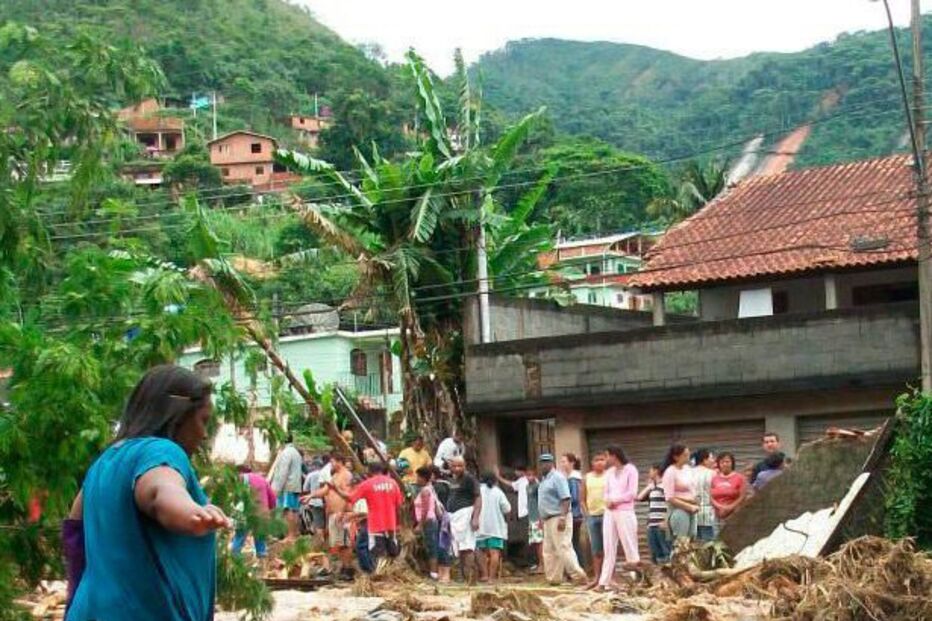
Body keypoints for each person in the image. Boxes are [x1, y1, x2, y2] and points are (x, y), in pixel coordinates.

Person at [66, 365, 232, 621]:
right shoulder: (161, 451)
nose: (203, 434)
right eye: (203, 420)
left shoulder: (103, 463)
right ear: (177, 416)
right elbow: (160, 490)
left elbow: (74, 535)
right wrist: (189, 512)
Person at [537, 453, 587, 586]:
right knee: (549, 550)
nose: (543, 465)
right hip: (547, 519)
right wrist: (542, 520)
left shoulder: (557, 477)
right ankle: (554, 579)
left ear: (552, 464)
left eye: (546, 462)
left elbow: (566, 498)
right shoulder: (544, 480)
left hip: (558, 516)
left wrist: (563, 517)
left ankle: (578, 576)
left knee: (563, 547)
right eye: (541, 463)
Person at [303, 454, 354, 579]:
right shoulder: (335, 476)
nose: (331, 464)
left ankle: (348, 569)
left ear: (340, 462)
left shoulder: (346, 475)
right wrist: (311, 496)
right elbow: (325, 490)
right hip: (333, 514)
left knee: (344, 543)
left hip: (341, 514)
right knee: (338, 543)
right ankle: (344, 567)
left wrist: (342, 512)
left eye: (333, 462)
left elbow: (348, 495)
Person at [348, 462, 404, 571]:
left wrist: (336, 490)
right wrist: (398, 523)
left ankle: (380, 576)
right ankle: (391, 574)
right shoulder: (393, 483)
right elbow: (399, 505)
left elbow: (351, 498)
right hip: (391, 524)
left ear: (369, 471)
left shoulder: (367, 484)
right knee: (392, 551)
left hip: (376, 525)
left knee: (378, 553)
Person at [598, 446, 639, 590]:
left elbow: (632, 493)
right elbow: (605, 492)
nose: (606, 459)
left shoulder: (631, 469)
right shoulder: (609, 473)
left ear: (614, 456)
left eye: (607, 456)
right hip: (610, 512)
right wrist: (608, 501)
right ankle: (604, 582)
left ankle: (636, 580)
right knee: (608, 546)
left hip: (625, 511)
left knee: (629, 545)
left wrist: (615, 501)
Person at [496, 465, 542, 572]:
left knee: (536, 540)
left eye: (531, 475)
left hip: (532, 514)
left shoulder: (535, 484)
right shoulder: (522, 481)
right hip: (523, 514)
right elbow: (511, 484)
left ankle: (536, 562)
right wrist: (498, 477)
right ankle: (531, 562)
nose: (528, 476)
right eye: (527, 474)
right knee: (529, 539)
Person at [445, 456, 482, 582]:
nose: (457, 468)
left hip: (465, 514)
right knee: (458, 548)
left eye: (460, 466)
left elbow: (478, 497)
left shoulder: (469, 479)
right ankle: (462, 576)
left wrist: (475, 517)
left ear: (464, 466)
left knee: (467, 547)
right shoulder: (452, 479)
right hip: (454, 517)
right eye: (454, 466)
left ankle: (471, 576)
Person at [232, 464, 277, 559]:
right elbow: (272, 497)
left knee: (239, 537)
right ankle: (262, 560)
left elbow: (236, 497)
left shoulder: (240, 478)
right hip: (261, 512)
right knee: (260, 538)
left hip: (245, 512)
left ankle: (234, 560)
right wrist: (270, 510)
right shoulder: (262, 479)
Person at [414, 466, 448, 580]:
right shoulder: (430, 488)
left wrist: (420, 525)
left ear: (423, 478)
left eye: (418, 477)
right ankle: (434, 572)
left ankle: (434, 573)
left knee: (431, 546)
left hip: (428, 521)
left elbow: (425, 510)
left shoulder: (425, 491)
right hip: (431, 521)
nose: (417, 479)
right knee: (432, 545)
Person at [476, 472, 511, 583]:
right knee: (494, 552)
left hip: (480, 527)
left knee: (481, 551)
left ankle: (484, 575)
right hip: (495, 527)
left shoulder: (478, 491)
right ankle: (492, 578)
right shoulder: (498, 492)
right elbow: (507, 508)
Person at [269, 434, 304, 540]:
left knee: (287, 510)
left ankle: (290, 535)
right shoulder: (296, 452)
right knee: (294, 510)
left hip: (287, 486)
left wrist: (276, 488)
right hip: (295, 485)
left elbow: (282, 472)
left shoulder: (286, 453)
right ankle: (295, 532)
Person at [579, 452, 607, 584]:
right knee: (596, 550)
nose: (600, 462)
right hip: (593, 517)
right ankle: (597, 577)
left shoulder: (609, 476)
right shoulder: (587, 478)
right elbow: (582, 499)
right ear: (592, 463)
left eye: (602, 459)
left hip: (608, 516)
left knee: (610, 549)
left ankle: (610, 577)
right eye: (597, 460)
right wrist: (587, 515)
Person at [661, 444, 698, 543]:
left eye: (688, 454)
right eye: (684, 455)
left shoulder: (688, 469)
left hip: (692, 508)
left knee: (692, 538)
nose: (688, 457)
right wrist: (688, 505)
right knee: (681, 541)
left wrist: (694, 501)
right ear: (676, 457)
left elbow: (692, 488)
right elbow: (670, 498)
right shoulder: (670, 472)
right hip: (679, 510)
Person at [638, 464, 671, 564]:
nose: (649, 473)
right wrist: (649, 486)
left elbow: (669, 504)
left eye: (651, 470)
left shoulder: (665, 486)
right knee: (655, 552)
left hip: (661, 524)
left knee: (665, 551)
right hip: (651, 525)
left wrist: (666, 521)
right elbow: (639, 497)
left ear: (656, 471)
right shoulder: (652, 488)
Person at [559, 453, 585, 563]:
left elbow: (574, 497)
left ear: (572, 463)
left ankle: (579, 566)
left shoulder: (573, 479)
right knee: (573, 542)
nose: (562, 464)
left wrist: (562, 502)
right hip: (575, 514)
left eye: (564, 461)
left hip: (574, 514)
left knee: (573, 543)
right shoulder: (572, 478)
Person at [711, 452, 747, 520]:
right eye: (722, 462)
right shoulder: (713, 478)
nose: (725, 464)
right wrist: (719, 506)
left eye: (727, 462)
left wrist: (730, 507)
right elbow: (709, 496)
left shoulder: (740, 478)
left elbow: (742, 496)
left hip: (734, 514)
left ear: (732, 463)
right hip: (715, 514)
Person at [693, 448, 718, 542]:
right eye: (711, 458)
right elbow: (716, 493)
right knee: (710, 543)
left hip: (692, 514)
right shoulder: (712, 473)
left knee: (697, 544)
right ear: (704, 460)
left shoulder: (689, 473)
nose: (713, 460)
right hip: (708, 513)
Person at [301, 456, 327, 534]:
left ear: (314, 466)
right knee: (325, 522)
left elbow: (305, 488)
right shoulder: (326, 474)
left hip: (315, 502)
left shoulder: (311, 475)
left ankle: (320, 541)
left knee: (318, 523)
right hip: (326, 501)